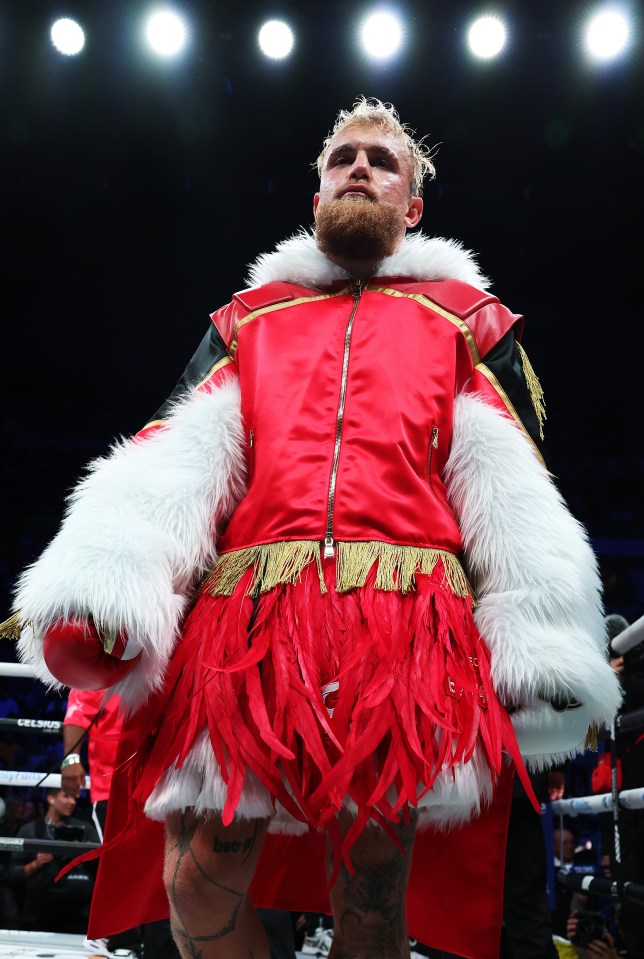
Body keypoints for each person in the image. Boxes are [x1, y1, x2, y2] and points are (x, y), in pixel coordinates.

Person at [6, 97, 622, 959]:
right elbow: (172, 458)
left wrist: (541, 634)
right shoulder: (249, 318)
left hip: (405, 622)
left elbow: (516, 490)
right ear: (318, 193)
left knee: (371, 894)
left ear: (412, 206)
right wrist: (110, 575)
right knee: (193, 882)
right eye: (342, 157)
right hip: (247, 620)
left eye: (380, 159)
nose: (359, 167)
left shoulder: (467, 322)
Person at [8, 786, 99, 933]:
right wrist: (36, 863)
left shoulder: (84, 829)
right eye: (66, 796)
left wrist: (86, 853)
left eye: (74, 798)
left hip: (79, 913)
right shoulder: (30, 830)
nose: (72, 802)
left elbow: (104, 868)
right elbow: (12, 875)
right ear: (51, 799)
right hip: (38, 913)